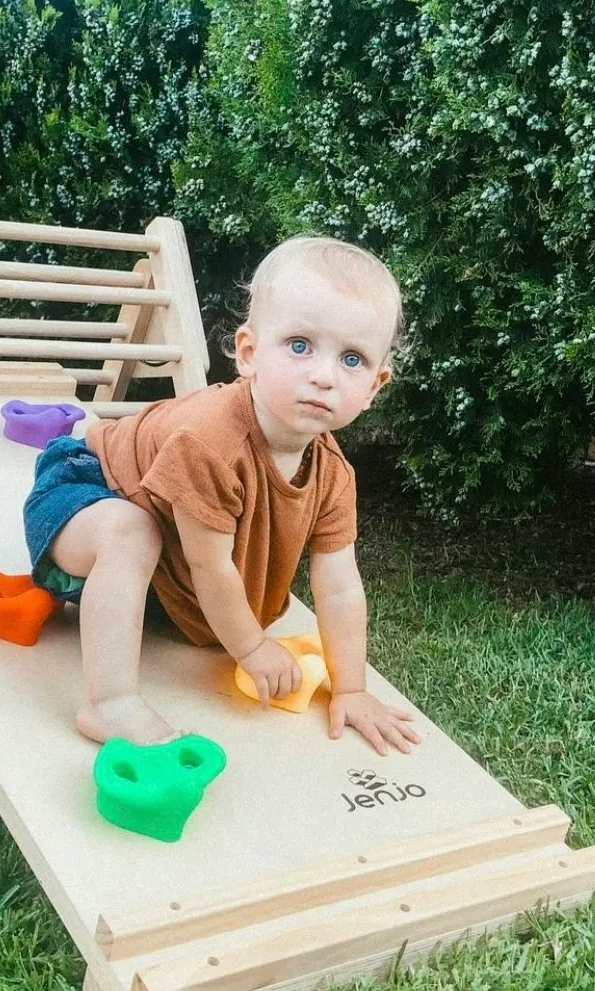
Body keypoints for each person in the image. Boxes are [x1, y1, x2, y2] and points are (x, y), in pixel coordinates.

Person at [22, 235, 421, 757]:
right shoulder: (209, 441)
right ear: (250, 353)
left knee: (154, 543)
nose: (324, 376)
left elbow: (340, 586)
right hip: (81, 491)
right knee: (132, 531)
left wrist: (351, 688)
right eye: (300, 346)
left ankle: (132, 602)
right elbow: (210, 568)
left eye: (352, 359)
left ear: (374, 385)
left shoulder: (333, 474)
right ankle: (109, 700)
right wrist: (252, 647)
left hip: (164, 549)